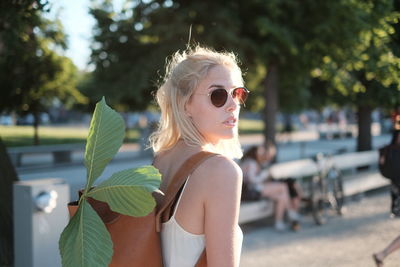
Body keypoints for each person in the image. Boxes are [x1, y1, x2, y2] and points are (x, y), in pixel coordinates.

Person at [151, 46, 247, 266]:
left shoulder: (161, 160)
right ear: (186, 105)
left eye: (237, 93)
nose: (233, 105)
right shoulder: (221, 171)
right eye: (218, 95)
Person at [240, 144, 302, 231]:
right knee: (283, 187)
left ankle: (279, 222)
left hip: (254, 189)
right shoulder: (251, 163)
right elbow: (251, 180)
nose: (262, 154)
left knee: (281, 197)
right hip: (253, 190)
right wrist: (264, 175)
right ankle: (290, 212)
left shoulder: (251, 162)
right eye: (260, 152)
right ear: (255, 152)